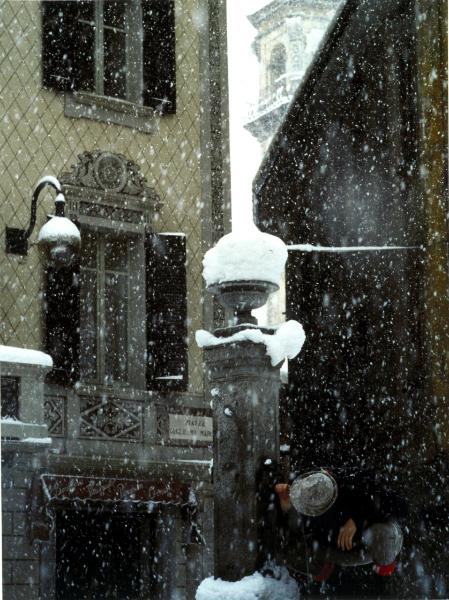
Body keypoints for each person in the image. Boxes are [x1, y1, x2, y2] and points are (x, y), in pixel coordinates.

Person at [274, 467, 403, 582]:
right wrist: (357, 519)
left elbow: (326, 553)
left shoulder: (361, 554)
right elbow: (371, 480)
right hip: (333, 488)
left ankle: (288, 506)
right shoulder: (388, 510)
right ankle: (291, 500)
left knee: (308, 540)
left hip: (322, 519)